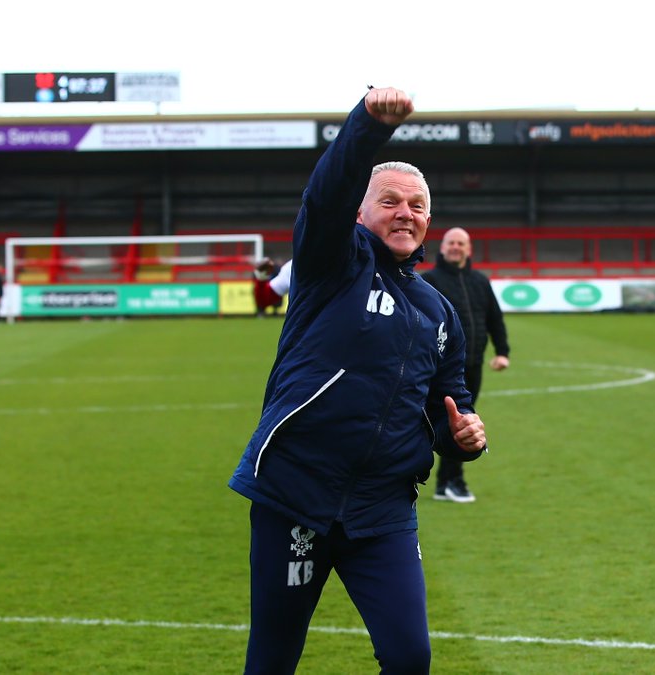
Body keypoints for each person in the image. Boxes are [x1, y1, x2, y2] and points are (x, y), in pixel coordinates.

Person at [228, 87, 487, 675]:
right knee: (272, 657)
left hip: (383, 508)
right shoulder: (329, 266)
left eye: (417, 205)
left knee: (409, 657)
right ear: (359, 213)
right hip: (296, 494)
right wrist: (366, 126)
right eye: (389, 200)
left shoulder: (436, 310)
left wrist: (464, 436)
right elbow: (326, 193)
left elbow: (450, 405)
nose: (405, 213)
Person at [420, 227, 510, 503]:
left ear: (468, 249)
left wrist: (502, 351)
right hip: (441, 369)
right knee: (447, 422)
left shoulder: (480, 281)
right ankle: (450, 481)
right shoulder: (428, 281)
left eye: (461, 243)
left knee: (464, 421)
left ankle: (447, 482)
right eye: (451, 243)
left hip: (473, 364)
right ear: (442, 247)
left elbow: (494, 318)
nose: (456, 247)